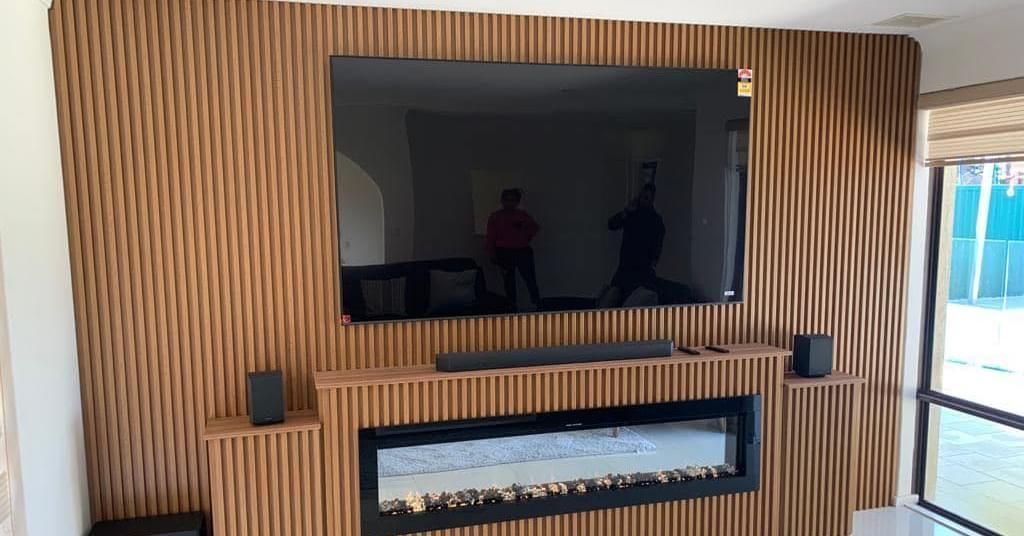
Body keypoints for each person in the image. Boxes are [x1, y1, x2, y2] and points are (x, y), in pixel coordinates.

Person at [607, 183, 665, 302]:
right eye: (642, 197)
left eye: (646, 198)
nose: (643, 200)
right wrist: (626, 211)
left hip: (642, 270)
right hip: (626, 266)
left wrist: (653, 262)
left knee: (638, 302)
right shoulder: (632, 214)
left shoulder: (656, 221)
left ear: (652, 200)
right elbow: (612, 224)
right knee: (613, 297)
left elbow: (658, 245)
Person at [485, 188, 541, 309]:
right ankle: (512, 308)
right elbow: (490, 237)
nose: (509, 203)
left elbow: (534, 228)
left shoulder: (522, 215)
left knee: (530, 279)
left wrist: (525, 239)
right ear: (502, 201)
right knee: (509, 282)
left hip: (522, 251)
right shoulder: (495, 217)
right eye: (507, 200)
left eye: (512, 200)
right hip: (504, 252)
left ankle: (538, 305)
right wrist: (492, 254)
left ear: (517, 202)